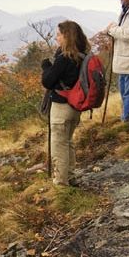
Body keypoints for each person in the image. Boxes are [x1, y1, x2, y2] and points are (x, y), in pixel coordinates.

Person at [41, 20, 91, 186]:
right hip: (76, 106)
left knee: (58, 145)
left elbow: (48, 81)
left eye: (59, 35)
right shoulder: (83, 55)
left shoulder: (64, 58)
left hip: (62, 106)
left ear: (67, 36)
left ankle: (61, 183)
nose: (57, 38)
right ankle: (70, 176)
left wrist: (46, 66)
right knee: (67, 142)